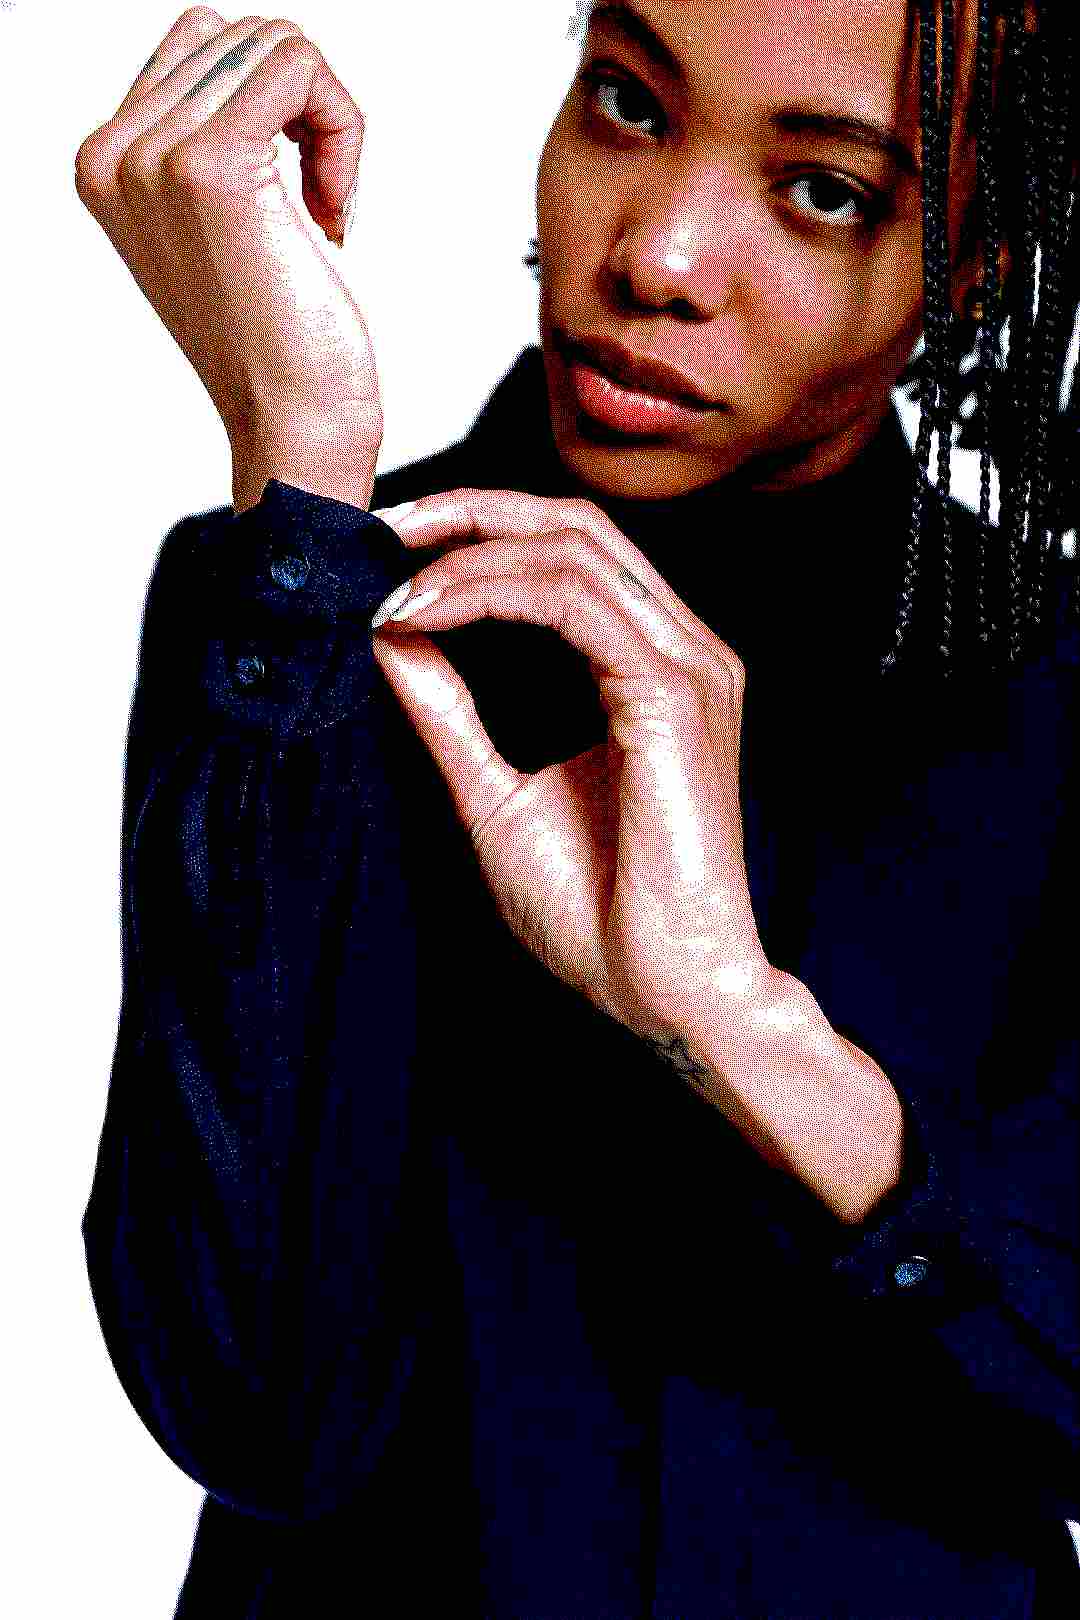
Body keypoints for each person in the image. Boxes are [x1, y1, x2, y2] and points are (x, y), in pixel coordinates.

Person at [74, 1, 1079, 1614]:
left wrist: (738, 1024)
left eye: (824, 191)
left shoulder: (1056, 708)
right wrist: (301, 460)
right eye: (627, 100)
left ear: (978, 264)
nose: (658, 256)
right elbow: (252, 1406)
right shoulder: (300, 619)